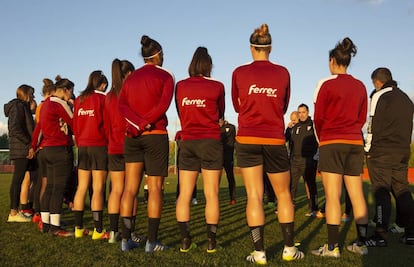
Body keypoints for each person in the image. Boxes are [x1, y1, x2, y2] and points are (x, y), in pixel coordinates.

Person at [231, 23, 304, 265]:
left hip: (247, 138)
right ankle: (288, 249)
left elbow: (237, 106)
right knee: (284, 195)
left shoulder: (239, 72)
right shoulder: (283, 72)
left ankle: (259, 252)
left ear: (251, 47)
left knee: (254, 195)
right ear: (270, 47)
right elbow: (283, 105)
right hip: (273, 139)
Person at [312, 37, 369, 257]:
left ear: (332, 60)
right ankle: (362, 244)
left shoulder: (327, 84)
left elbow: (319, 118)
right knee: (356, 194)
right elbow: (362, 117)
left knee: (333, 195)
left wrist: (324, 137)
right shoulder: (360, 85)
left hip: (331, 142)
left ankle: (333, 247)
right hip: (354, 141)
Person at [118, 35, 174, 252]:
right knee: (156, 189)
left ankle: (125, 240)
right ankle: (151, 242)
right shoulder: (166, 75)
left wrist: (136, 124)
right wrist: (145, 122)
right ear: (158, 54)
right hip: (154, 134)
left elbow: (122, 106)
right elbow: (163, 105)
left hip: (132, 136)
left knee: (129, 189)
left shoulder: (130, 78)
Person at [175, 47, 225, 253]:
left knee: (184, 194)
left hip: (188, 142)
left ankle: (185, 241)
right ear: (210, 65)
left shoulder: (180, 86)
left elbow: (179, 111)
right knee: (211, 194)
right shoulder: (217, 86)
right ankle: (211, 242)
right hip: (211, 142)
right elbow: (220, 114)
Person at [364, 67, 414, 246]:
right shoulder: (406, 99)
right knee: (402, 190)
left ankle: (380, 234)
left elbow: (372, 124)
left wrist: (368, 150)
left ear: (377, 82)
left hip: (382, 151)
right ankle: (410, 233)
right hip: (402, 151)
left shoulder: (379, 96)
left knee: (381, 191)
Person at [104, 59, 145, 245]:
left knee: (116, 190)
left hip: (113, 147)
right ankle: (130, 233)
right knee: (131, 191)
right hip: (130, 145)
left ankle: (113, 233)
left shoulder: (108, 96)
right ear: (128, 74)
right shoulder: (131, 93)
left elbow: (105, 124)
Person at [28, 76, 75, 237]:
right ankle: (55, 227)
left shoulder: (45, 104)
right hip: (60, 149)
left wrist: (33, 146)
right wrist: (72, 107)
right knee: (58, 189)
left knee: (49, 188)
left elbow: (38, 128)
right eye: (71, 92)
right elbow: (74, 123)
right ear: (65, 90)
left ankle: (46, 224)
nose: (71, 96)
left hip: (46, 149)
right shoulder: (60, 103)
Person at [72, 70, 109, 240]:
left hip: (83, 147)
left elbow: (75, 126)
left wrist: (79, 142)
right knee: (98, 189)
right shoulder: (103, 98)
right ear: (102, 85)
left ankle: (78, 229)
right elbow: (107, 124)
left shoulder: (79, 100)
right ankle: (98, 230)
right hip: (99, 146)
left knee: (81, 187)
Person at [4, 84, 36, 222]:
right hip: (22, 150)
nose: (34, 96)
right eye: (32, 94)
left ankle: (26, 209)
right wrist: (29, 144)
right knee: (17, 180)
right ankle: (13, 212)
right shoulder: (18, 106)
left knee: (28, 178)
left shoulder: (22, 107)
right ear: (26, 94)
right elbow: (15, 128)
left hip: (23, 148)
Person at [286, 104, 319, 217]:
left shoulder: (313, 125)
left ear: (308, 112)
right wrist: (288, 128)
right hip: (295, 160)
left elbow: (320, 141)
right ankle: (290, 205)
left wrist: (316, 157)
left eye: (303, 112)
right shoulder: (296, 126)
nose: (301, 114)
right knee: (291, 185)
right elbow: (286, 139)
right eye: (299, 112)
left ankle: (313, 207)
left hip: (309, 160)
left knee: (310, 185)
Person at [31, 78, 56, 225]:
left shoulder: (42, 106)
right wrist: (35, 146)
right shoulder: (45, 106)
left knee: (43, 182)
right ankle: (40, 213)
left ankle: (40, 213)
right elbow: (40, 128)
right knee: (45, 183)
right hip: (45, 147)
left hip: (42, 147)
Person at [219, 118, 236, 205]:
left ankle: (232, 198)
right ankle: (214, 197)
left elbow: (231, 138)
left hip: (228, 157)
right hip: (217, 156)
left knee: (230, 177)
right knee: (215, 178)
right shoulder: (215, 128)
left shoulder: (231, 127)